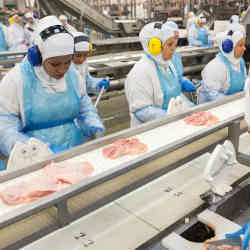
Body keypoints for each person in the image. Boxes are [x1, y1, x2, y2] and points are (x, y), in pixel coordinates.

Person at [0, 16, 105, 166]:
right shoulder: (16, 80)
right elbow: (4, 128)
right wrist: (40, 151)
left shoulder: (73, 75)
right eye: (55, 64)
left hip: (74, 153)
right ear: (37, 56)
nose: (62, 70)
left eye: (68, 62)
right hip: (34, 162)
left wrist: (93, 124)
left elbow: (85, 107)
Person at [125, 22, 194, 127]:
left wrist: (190, 108)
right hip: (150, 131)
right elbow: (141, 111)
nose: (173, 49)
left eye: (174, 44)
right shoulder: (140, 72)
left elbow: (176, 96)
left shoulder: (168, 65)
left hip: (172, 126)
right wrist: (168, 116)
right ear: (155, 47)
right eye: (169, 44)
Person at [197, 23, 247, 104]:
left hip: (233, 105)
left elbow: (244, 81)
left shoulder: (240, 62)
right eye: (240, 45)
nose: (244, 48)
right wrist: (231, 103)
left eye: (244, 45)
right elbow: (212, 95)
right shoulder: (216, 67)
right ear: (228, 48)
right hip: (214, 108)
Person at [166, 21, 196, 93]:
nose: (174, 40)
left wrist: (182, 80)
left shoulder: (176, 55)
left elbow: (178, 75)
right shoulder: (159, 57)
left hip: (176, 90)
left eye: (176, 37)